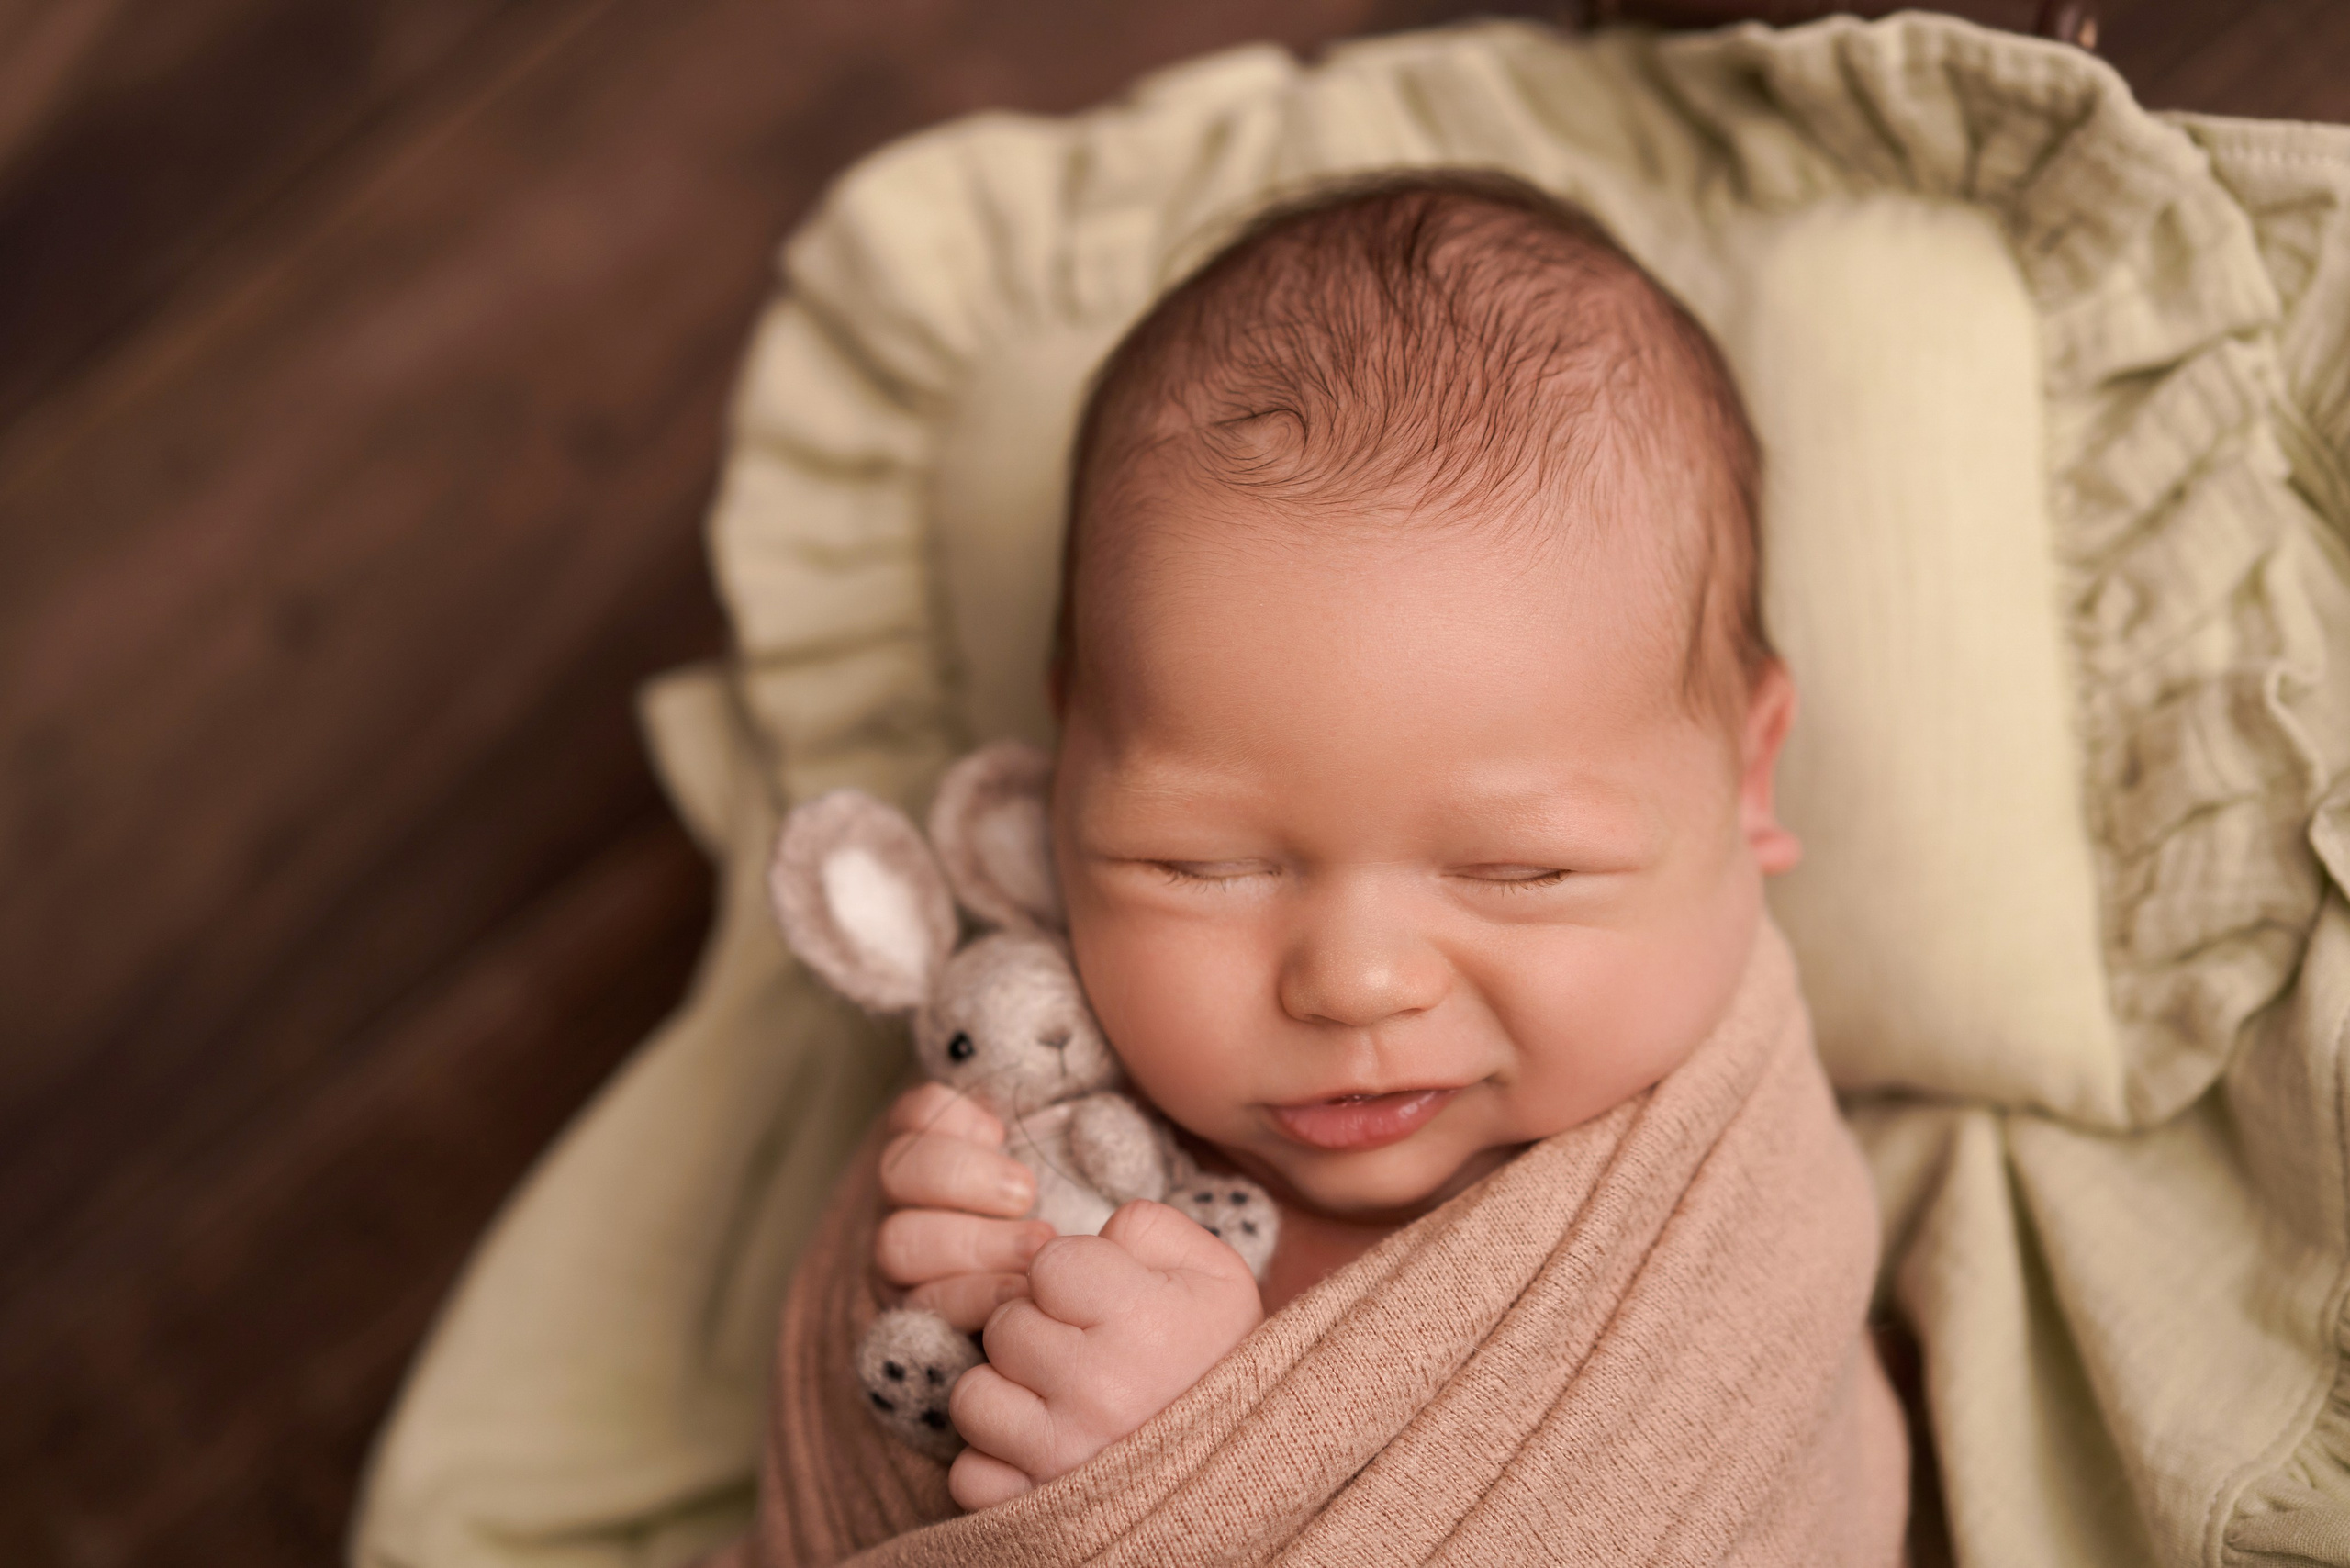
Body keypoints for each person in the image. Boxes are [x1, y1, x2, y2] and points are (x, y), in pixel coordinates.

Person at [858, 169, 1878, 1516]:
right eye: (1199, 864)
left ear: (1749, 775)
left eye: (1518, 870)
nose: (1355, 982)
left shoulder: (1729, 1239)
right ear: (1066, 784)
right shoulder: (1049, 1101)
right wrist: (965, 1300)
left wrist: (1189, 1484)